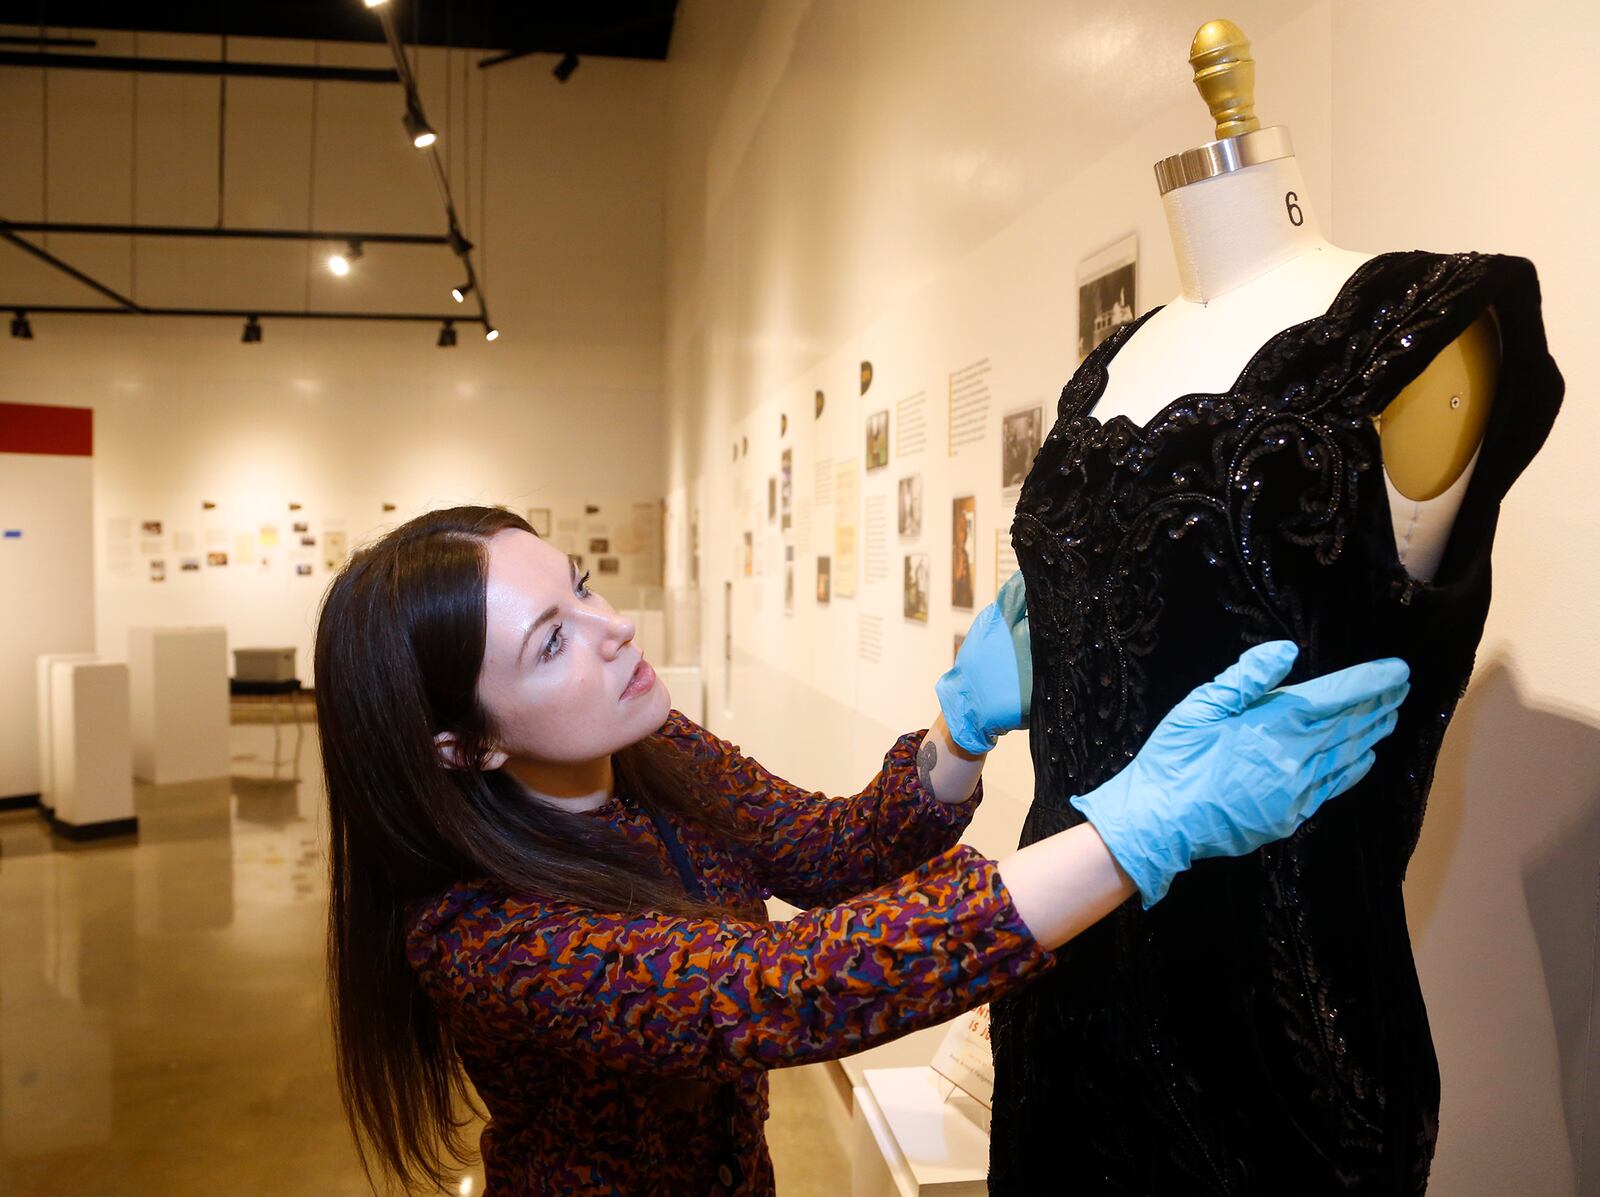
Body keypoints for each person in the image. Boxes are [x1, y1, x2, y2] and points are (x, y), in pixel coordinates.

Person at [315, 506, 1408, 1195]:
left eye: (583, 590)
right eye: (552, 641)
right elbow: (784, 988)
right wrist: (1136, 832)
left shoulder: (651, 749)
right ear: (463, 746)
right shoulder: (475, 937)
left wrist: (954, 736)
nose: (616, 632)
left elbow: (824, 848)